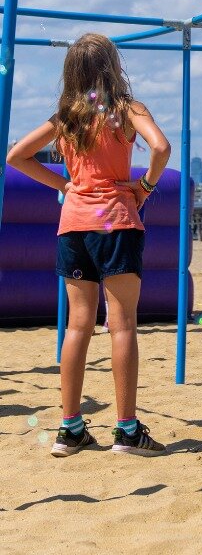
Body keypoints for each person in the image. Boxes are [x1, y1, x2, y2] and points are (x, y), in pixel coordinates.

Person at [6, 33, 172, 457]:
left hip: (74, 225)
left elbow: (17, 156)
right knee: (122, 325)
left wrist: (65, 184)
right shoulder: (127, 108)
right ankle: (128, 430)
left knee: (77, 326)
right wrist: (146, 187)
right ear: (113, 66)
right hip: (116, 222)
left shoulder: (67, 117)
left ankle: (70, 428)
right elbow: (161, 146)